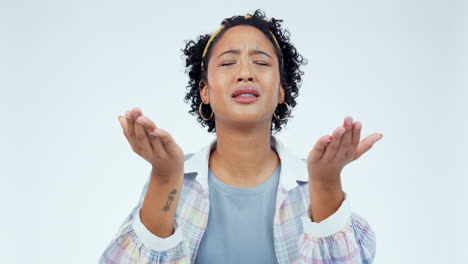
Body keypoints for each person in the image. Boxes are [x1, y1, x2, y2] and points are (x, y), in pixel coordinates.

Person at [99, 9, 381, 264]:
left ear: (281, 90)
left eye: (261, 63)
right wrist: (163, 177)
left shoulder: (313, 186)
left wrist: (326, 183)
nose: (245, 73)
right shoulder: (173, 180)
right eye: (228, 63)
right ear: (204, 91)